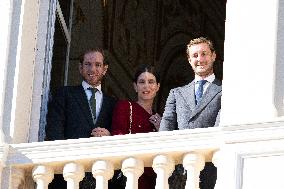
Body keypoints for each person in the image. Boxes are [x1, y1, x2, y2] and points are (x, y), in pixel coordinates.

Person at [45, 48, 117, 189]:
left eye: (98, 65)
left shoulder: (113, 103)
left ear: (105, 69)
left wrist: (110, 135)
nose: (92, 69)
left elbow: (121, 133)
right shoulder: (65, 94)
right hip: (68, 173)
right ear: (80, 68)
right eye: (88, 64)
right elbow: (54, 131)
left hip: (100, 176)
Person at [159, 37, 222, 189]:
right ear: (189, 60)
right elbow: (164, 132)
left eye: (204, 54)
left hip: (212, 170)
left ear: (213, 56)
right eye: (195, 55)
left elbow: (220, 130)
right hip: (179, 172)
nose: (199, 59)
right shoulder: (176, 93)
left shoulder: (225, 91)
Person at [111, 64, 161, 189]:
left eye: (151, 82)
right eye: (141, 82)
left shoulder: (160, 119)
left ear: (157, 86)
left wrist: (162, 129)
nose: (146, 86)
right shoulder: (125, 107)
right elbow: (118, 138)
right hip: (130, 175)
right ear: (135, 86)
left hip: (154, 180)